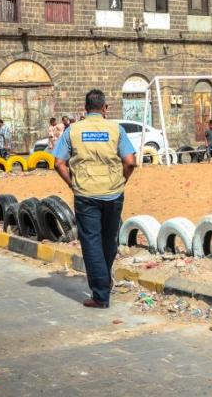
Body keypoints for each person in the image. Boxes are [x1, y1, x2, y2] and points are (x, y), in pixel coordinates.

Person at [52, 89, 137, 309]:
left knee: (91, 242)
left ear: (85, 108)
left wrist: (72, 184)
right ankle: (104, 281)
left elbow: (58, 163)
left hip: (86, 195)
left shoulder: (73, 131)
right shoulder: (115, 129)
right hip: (114, 194)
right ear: (105, 108)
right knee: (109, 240)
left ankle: (100, 295)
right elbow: (130, 161)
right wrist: (121, 181)